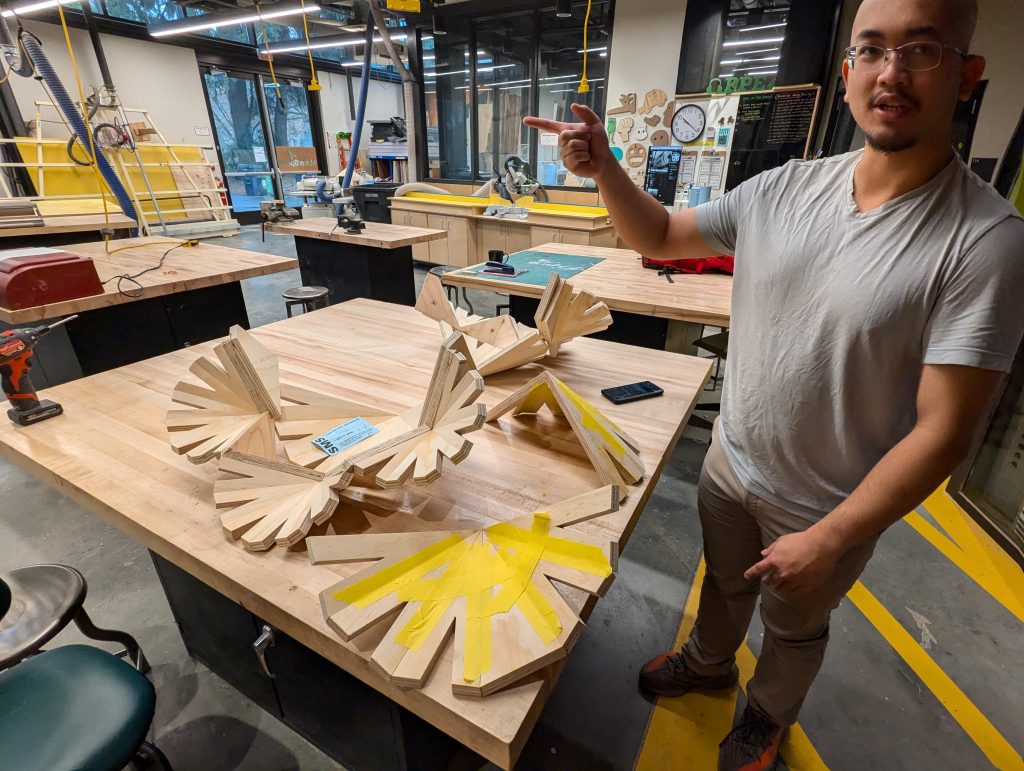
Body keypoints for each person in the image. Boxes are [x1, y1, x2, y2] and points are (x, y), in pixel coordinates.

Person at [524, 0, 1024, 768]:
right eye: (874, 50)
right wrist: (606, 168)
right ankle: (708, 662)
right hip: (732, 460)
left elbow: (944, 430)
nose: (892, 72)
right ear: (850, 70)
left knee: (794, 625)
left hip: (827, 499)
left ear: (967, 74)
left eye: (922, 51)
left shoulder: (984, 240)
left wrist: (830, 536)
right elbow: (658, 234)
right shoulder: (784, 188)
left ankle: (765, 714)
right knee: (725, 585)